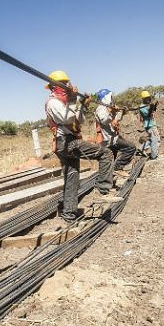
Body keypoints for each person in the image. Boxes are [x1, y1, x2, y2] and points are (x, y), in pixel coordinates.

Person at [44, 71, 123, 222]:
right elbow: (66, 117)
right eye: (65, 84)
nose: (68, 86)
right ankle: (103, 191)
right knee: (106, 153)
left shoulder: (64, 102)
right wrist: (73, 99)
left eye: (68, 83)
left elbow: (78, 120)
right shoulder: (53, 102)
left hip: (68, 142)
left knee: (72, 178)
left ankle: (69, 213)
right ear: (55, 87)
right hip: (66, 142)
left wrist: (83, 106)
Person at [94, 89, 135, 178]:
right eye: (110, 97)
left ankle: (109, 181)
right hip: (109, 139)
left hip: (113, 137)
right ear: (106, 98)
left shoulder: (107, 108)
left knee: (111, 161)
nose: (112, 99)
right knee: (131, 148)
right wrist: (111, 111)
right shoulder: (100, 109)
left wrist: (121, 112)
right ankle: (118, 168)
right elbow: (105, 120)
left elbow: (115, 120)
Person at [138, 90, 160, 159]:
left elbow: (152, 111)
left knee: (152, 139)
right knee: (155, 140)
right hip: (150, 125)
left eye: (148, 98)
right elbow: (148, 114)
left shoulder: (147, 105)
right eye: (146, 98)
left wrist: (154, 106)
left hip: (151, 124)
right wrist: (151, 107)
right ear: (143, 99)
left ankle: (142, 148)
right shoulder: (142, 107)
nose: (148, 99)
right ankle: (154, 155)